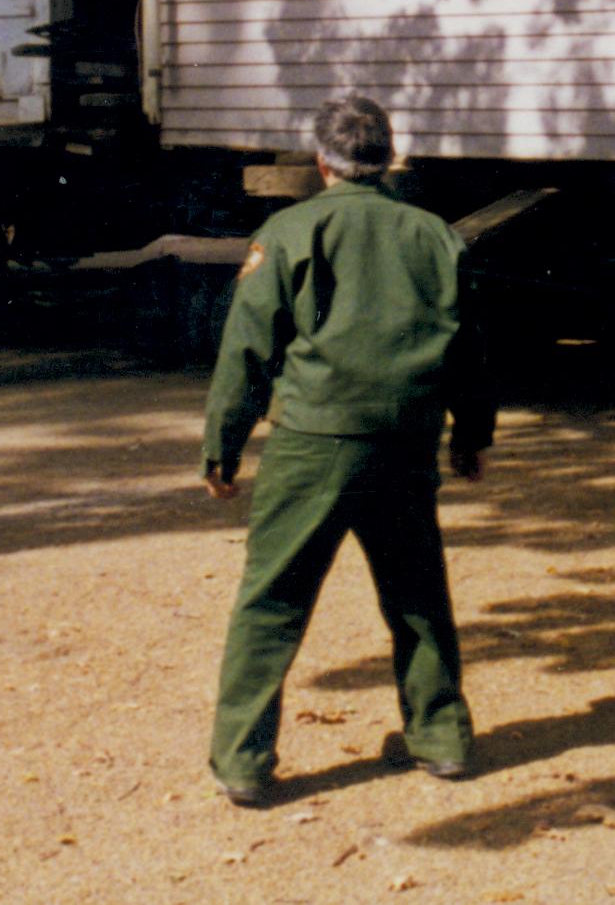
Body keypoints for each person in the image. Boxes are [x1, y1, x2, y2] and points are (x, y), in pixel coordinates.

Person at [201, 95, 495, 807]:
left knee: (272, 600)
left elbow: (248, 344)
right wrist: (471, 433)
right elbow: (470, 346)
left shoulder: (290, 229)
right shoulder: (436, 236)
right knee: (417, 594)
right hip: (405, 441)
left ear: (319, 160)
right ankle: (442, 738)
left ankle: (243, 759)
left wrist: (223, 446)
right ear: (388, 158)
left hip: (313, 442)